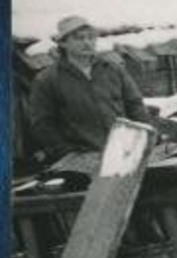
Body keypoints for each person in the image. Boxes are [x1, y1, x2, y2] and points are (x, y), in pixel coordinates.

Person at [27, 15, 150, 163]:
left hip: (123, 153)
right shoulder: (47, 79)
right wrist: (66, 153)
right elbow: (42, 124)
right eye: (79, 38)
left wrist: (143, 137)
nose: (87, 43)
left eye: (91, 37)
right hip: (81, 158)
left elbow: (135, 105)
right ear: (63, 43)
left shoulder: (113, 70)